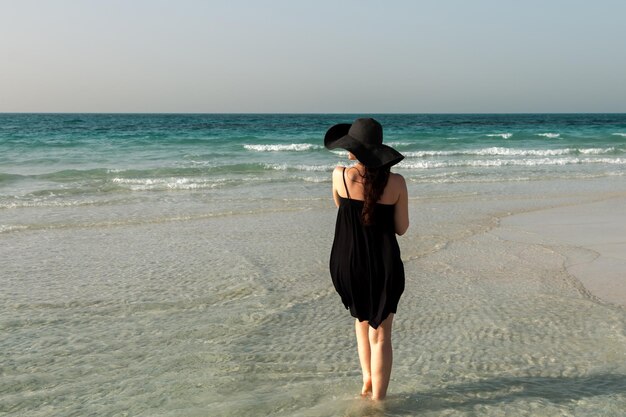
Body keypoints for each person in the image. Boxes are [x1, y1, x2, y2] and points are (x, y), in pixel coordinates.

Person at [325, 117, 409, 401]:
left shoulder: (340, 175)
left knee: (361, 320)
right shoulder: (397, 183)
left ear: (353, 150)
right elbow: (401, 228)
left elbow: (341, 207)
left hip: (348, 263)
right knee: (382, 335)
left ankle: (367, 382)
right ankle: (379, 401)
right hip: (383, 264)